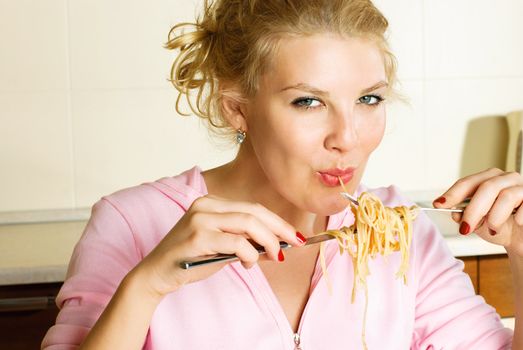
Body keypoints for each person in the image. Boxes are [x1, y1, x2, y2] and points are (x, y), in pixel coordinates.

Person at [42, 0, 522, 349]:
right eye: (308, 102)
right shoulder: (132, 222)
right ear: (238, 110)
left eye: (368, 99)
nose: (347, 137)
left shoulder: (404, 235)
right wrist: (146, 286)